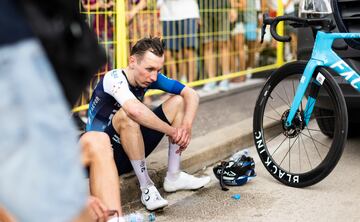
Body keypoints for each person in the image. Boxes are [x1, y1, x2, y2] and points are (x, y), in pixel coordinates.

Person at [86, 37, 211, 211]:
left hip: (128, 149)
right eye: (149, 69)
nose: (153, 77)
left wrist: (186, 127)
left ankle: (174, 176)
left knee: (179, 101)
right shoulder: (113, 78)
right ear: (132, 61)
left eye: (158, 70)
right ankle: (147, 188)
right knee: (128, 114)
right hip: (104, 157)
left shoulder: (150, 77)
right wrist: (172, 131)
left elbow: (191, 94)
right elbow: (135, 111)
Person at [158, 0, 200, 83]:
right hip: (167, 15)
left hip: (188, 13)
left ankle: (190, 84)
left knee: (188, 51)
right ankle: (173, 87)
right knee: (169, 52)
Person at [200, 0, 238, 92]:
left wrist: (232, 7)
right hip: (204, 7)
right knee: (207, 45)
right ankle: (211, 80)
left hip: (222, 6)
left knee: (223, 44)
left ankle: (225, 78)